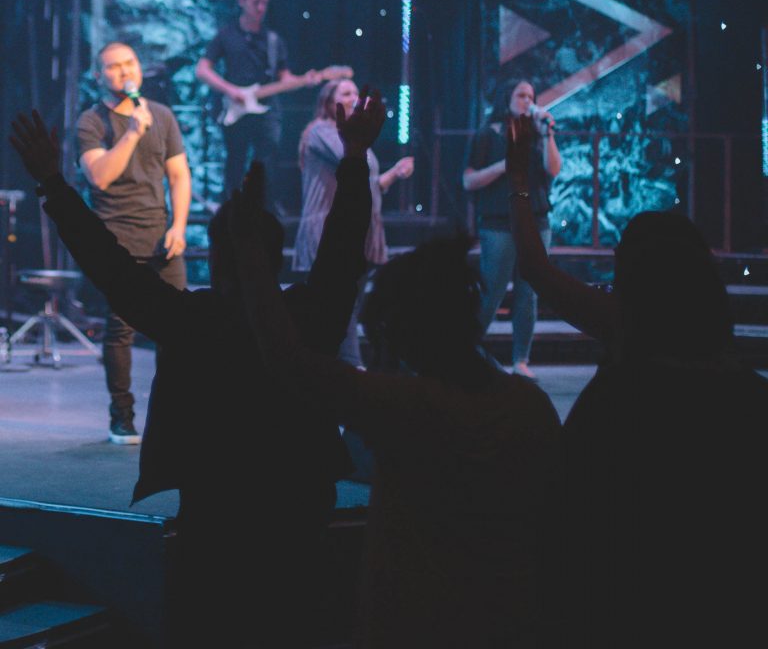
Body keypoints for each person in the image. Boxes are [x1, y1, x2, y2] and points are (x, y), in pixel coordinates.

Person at [10, 92, 385, 648]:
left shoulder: (194, 322)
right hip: (299, 510)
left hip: (214, 520)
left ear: (218, 258)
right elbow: (343, 251)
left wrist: (51, 182)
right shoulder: (309, 319)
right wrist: (354, 157)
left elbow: (110, 267)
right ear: (275, 257)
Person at [228, 159, 562, 649]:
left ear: (402, 331)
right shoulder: (529, 405)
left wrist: (249, 254)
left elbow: (288, 360)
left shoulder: (405, 406)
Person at [506, 113, 768, 649]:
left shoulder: (630, 326)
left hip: (620, 581)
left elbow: (533, 266)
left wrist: (517, 178)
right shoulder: (741, 384)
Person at [76, 41, 191, 444]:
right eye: (114, 66)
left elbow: (178, 175)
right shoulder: (92, 122)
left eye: (130, 63)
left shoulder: (162, 115)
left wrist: (179, 226)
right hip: (116, 240)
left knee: (178, 328)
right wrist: (131, 133)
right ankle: (121, 416)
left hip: (162, 239)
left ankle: (174, 413)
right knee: (121, 329)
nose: (125, 71)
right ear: (99, 76)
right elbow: (100, 177)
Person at [293, 77, 414, 367]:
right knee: (338, 299)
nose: (353, 97)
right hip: (327, 224)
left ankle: (347, 363)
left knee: (351, 301)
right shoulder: (321, 131)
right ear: (329, 102)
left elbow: (365, 183)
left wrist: (393, 174)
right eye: (346, 93)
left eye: (355, 92)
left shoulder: (358, 138)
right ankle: (350, 364)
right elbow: (348, 159)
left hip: (358, 225)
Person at [462, 79, 561, 378]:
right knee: (492, 289)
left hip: (536, 218)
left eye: (531, 96)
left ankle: (521, 360)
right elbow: (468, 180)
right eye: (521, 95)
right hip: (499, 221)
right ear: (507, 98)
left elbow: (554, 169)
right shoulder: (488, 134)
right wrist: (504, 165)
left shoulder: (537, 135)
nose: (527, 101)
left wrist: (548, 134)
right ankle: (467, 348)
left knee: (529, 292)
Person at [195, 0, 318, 207]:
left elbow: (284, 77)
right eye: (256, 2)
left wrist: (305, 80)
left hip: (267, 109)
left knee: (268, 161)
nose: (261, 8)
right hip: (236, 108)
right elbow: (202, 69)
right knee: (235, 161)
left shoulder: (273, 40)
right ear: (242, 1)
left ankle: (266, 210)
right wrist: (230, 90)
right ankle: (232, 210)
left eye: (264, 3)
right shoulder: (226, 35)